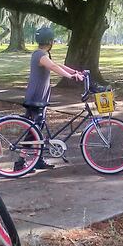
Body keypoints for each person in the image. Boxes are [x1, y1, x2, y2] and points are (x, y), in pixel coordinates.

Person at [22, 27, 83, 170]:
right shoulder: (39, 55)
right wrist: (70, 77)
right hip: (36, 97)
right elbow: (53, 66)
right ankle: (20, 160)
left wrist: (74, 71)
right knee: (33, 129)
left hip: (39, 96)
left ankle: (37, 159)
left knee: (37, 127)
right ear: (50, 41)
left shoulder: (43, 54)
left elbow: (57, 64)